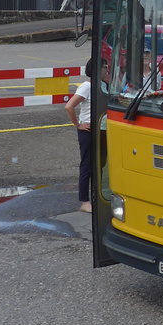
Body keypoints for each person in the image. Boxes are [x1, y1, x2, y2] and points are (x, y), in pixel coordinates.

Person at [65, 58, 103, 213]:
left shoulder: (102, 86)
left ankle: (96, 196)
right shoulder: (87, 86)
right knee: (86, 166)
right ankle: (84, 201)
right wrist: (78, 124)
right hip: (87, 131)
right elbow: (69, 106)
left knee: (98, 165)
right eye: (104, 67)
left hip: (99, 129)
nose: (107, 70)